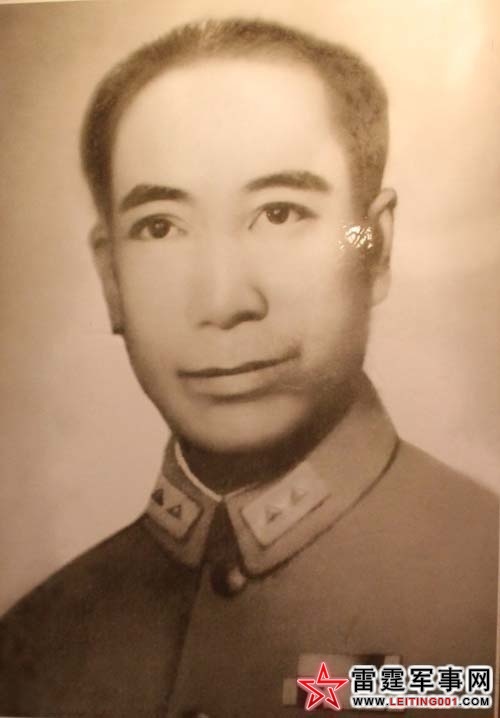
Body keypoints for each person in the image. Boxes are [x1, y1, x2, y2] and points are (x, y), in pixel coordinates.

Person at [0, 17, 497, 718]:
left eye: (281, 212)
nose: (224, 301)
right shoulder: (33, 645)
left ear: (374, 247)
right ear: (112, 280)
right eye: (160, 226)